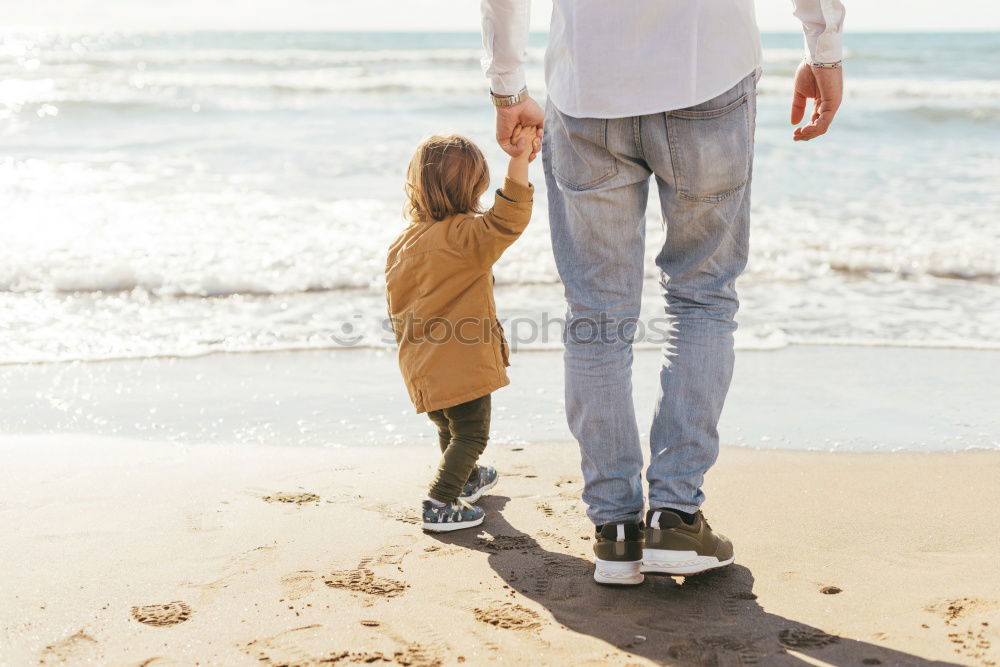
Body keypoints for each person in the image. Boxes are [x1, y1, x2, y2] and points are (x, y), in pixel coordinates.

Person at [480, 1, 845, 584]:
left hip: (587, 91)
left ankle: (616, 530)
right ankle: (675, 517)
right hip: (707, 77)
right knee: (703, 297)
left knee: (597, 314)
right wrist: (822, 47)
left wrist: (506, 87)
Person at [385, 128, 539, 532]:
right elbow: (509, 219)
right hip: (459, 363)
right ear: (473, 188)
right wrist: (520, 160)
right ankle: (441, 500)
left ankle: (466, 480)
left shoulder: (404, 243)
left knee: (450, 429)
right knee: (471, 434)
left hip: (420, 364)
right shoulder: (465, 237)